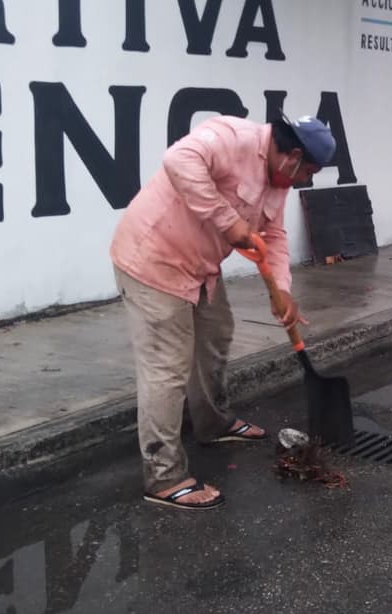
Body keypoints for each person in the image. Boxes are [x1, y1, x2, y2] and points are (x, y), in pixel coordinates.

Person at [109, 113, 336, 510]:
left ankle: (213, 423)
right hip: (153, 261)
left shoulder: (277, 179)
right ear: (293, 156)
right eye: (308, 172)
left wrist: (282, 289)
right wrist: (228, 221)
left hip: (199, 269)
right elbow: (179, 161)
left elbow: (275, 236)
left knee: (216, 335)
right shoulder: (231, 137)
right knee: (168, 368)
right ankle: (164, 478)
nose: (305, 181)